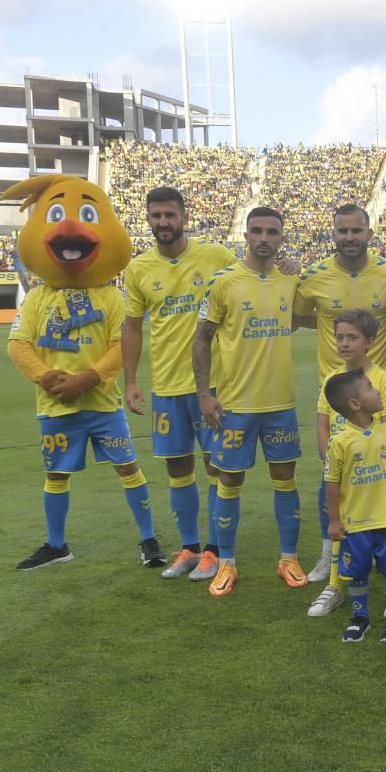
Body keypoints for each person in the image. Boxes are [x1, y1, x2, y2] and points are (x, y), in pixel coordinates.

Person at [9, 243, 160, 571]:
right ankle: (56, 545)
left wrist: (87, 379)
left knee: (128, 468)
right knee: (56, 473)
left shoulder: (111, 297)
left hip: (103, 404)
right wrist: (47, 378)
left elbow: (122, 345)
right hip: (56, 403)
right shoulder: (36, 297)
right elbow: (18, 344)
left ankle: (149, 539)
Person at [122, 186, 236, 580]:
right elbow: (132, 327)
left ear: (184, 215)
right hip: (167, 387)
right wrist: (132, 381)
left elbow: (247, 285)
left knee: (216, 465)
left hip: (213, 385)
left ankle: (216, 550)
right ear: (148, 218)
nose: (163, 223)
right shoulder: (138, 269)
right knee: (177, 468)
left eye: (170, 215)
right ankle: (189, 547)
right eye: (156, 216)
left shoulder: (216, 256)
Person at [192, 207, 304, 597]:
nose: (264, 238)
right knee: (228, 482)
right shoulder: (224, 282)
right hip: (235, 405)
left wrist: (298, 274)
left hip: (280, 404)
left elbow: (314, 314)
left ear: (281, 237)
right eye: (257, 230)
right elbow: (202, 337)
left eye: (272, 232)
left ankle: (288, 558)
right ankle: (227, 564)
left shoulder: (290, 281)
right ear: (245, 234)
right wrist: (205, 394)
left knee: (286, 481)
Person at [307, 310, 386, 618]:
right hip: (340, 469)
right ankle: (335, 586)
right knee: (340, 527)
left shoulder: (381, 380)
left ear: (369, 342)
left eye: (352, 337)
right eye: (340, 337)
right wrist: (328, 459)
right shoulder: (332, 379)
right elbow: (322, 423)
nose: (344, 344)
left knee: (385, 529)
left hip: (374, 474)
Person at [322, 369, 386, 642]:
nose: (378, 391)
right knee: (356, 571)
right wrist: (335, 520)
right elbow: (332, 484)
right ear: (355, 404)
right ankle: (360, 618)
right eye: (371, 388)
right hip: (355, 524)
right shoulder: (339, 442)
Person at [293, 203, 386, 385]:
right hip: (335, 387)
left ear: (370, 234)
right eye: (343, 231)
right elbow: (297, 316)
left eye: (357, 230)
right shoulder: (313, 277)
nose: (349, 237)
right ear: (333, 235)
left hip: (383, 386)